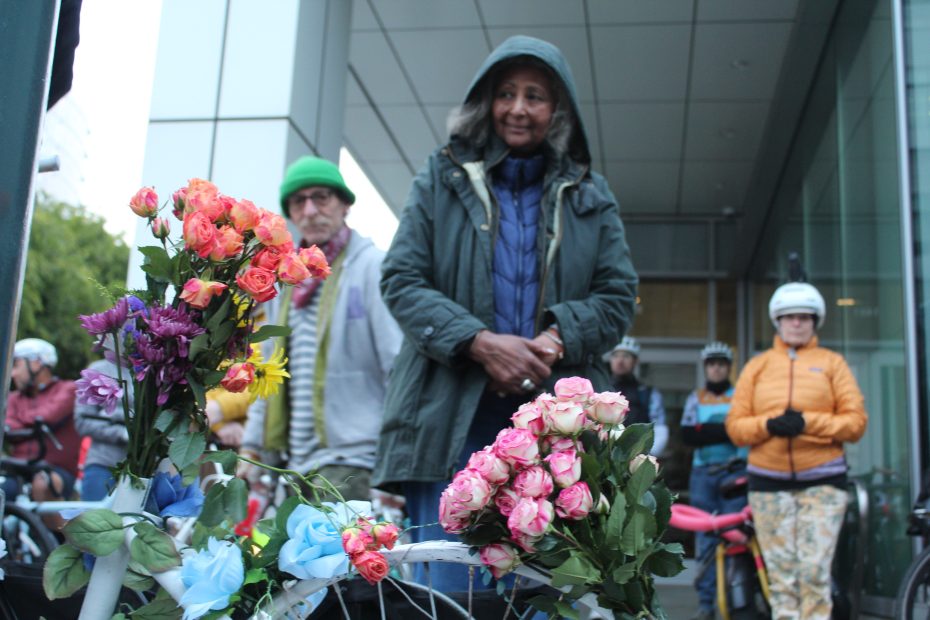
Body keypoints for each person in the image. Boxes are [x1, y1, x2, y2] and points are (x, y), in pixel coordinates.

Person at [374, 35, 637, 590]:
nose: (519, 108)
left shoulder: (591, 193)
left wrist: (556, 339)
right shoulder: (439, 177)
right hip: (450, 419)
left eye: (535, 96)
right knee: (446, 588)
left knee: (546, 588)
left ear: (557, 110)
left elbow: (618, 294)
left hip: (556, 437)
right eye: (507, 93)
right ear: (486, 102)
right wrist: (478, 341)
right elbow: (401, 278)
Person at [240, 156, 402, 502]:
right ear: (292, 214)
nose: (311, 210)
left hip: (354, 461)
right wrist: (252, 446)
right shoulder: (283, 281)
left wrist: (395, 461)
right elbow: (265, 371)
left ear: (344, 205)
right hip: (293, 465)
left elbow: (397, 367)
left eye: (321, 197)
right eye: (299, 201)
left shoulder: (372, 267)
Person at [725, 282, 867, 619]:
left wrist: (807, 422)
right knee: (782, 579)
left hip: (823, 483)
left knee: (814, 575)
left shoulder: (833, 364)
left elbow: (855, 423)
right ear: (778, 321)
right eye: (790, 317)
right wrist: (769, 425)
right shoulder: (757, 367)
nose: (797, 323)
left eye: (805, 317)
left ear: (815, 321)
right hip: (768, 486)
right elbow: (735, 427)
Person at [680, 341, 748, 620]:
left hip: (735, 473)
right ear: (706, 367)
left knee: (735, 536)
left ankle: (735, 600)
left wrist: (707, 430)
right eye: (712, 363)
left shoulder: (741, 396)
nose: (717, 368)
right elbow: (688, 436)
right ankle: (706, 605)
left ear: (728, 367)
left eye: (721, 363)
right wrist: (725, 430)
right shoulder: (695, 398)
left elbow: (742, 434)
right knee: (706, 539)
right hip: (703, 476)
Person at [4, 339, 80, 512]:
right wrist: (33, 421)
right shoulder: (13, 397)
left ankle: (55, 536)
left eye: (16, 365)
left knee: (43, 484)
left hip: (57, 471)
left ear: (37, 363)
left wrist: (19, 420)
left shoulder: (67, 389)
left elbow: (46, 417)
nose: (13, 374)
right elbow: (6, 426)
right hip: (18, 471)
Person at [74, 357, 130, 500]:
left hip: (148, 466)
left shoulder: (154, 371)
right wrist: (121, 433)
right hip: (103, 461)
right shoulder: (99, 370)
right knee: (94, 519)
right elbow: (82, 420)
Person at [603, 336, 667, 456]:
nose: (620, 361)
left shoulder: (648, 394)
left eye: (626, 356)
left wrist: (644, 456)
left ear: (635, 361)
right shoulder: (601, 391)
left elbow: (660, 430)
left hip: (637, 458)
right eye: (616, 356)